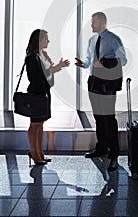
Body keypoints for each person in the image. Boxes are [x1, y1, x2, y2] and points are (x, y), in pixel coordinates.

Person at [75, 12, 127, 171]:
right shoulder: (92, 40)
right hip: (94, 82)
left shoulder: (113, 39)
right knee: (98, 117)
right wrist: (83, 64)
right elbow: (90, 60)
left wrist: (105, 64)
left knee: (109, 119)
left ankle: (114, 155)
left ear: (103, 23)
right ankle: (101, 148)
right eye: (92, 22)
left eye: (94, 22)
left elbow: (123, 60)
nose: (92, 25)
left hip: (108, 83)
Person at [25, 29, 70, 165]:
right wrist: (54, 68)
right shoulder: (32, 57)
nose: (48, 41)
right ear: (38, 41)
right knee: (35, 124)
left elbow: (47, 72)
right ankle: (34, 153)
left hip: (44, 92)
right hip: (36, 93)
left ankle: (40, 153)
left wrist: (58, 67)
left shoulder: (42, 54)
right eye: (46, 39)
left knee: (40, 123)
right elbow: (39, 75)